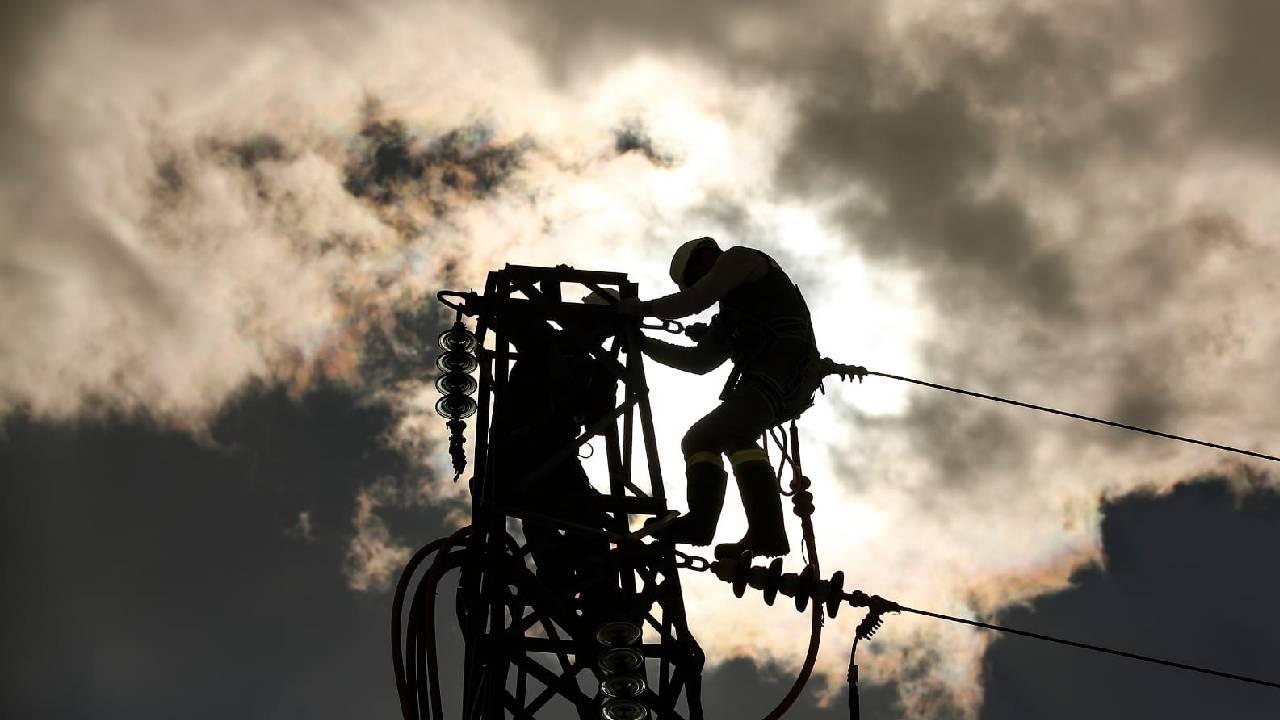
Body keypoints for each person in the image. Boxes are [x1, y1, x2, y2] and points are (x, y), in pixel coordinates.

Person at [620, 237, 823, 560]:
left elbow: (694, 300)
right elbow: (698, 362)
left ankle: (765, 531)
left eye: (699, 276)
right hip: (777, 375)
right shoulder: (730, 313)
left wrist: (643, 310)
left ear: (706, 256)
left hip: (786, 366)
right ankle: (705, 525)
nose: (704, 281)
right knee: (699, 440)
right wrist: (643, 344)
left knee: (733, 432)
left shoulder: (742, 259)